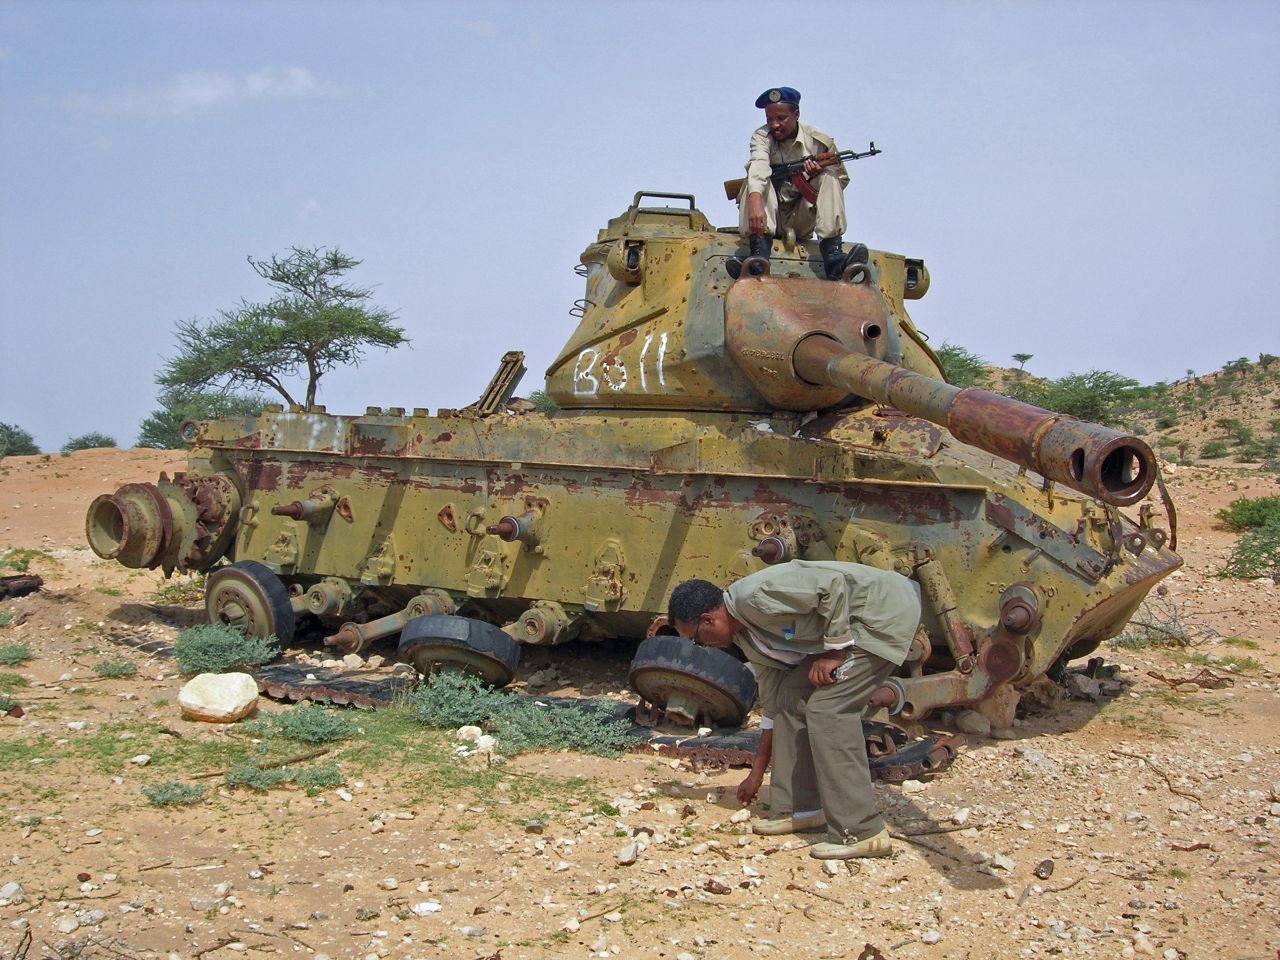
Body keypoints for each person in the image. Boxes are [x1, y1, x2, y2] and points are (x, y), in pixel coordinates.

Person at [667, 559, 921, 860]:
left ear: (708, 620)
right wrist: (756, 773)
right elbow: (774, 705)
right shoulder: (748, 638)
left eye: (696, 638)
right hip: (854, 628)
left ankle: (863, 831)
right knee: (791, 696)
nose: (702, 647)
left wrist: (835, 652)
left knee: (829, 709)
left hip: (883, 615)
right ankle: (801, 808)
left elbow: (831, 586)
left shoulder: (757, 595)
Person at [736, 86, 855, 280]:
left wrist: (812, 177)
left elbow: (841, 181)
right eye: (769, 119)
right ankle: (758, 257)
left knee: (829, 176)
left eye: (781, 118)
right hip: (767, 217)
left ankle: (834, 258)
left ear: (796, 114)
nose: (774, 125)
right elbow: (758, 165)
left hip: (800, 216)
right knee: (754, 182)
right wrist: (755, 201)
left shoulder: (819, 142)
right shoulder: (762, 137)